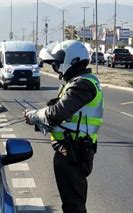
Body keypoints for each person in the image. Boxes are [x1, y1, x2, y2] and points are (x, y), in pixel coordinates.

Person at [24, 40, 104, 213]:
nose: (56, 68)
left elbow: (57, 114)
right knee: (72, 204)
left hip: (73, 152)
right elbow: (62, 118)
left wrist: (35, 115)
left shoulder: (82, 84)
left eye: (58, 63)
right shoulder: (79, 82)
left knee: (73, 206)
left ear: (72, 60)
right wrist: (38, 119)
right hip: (71, 149)